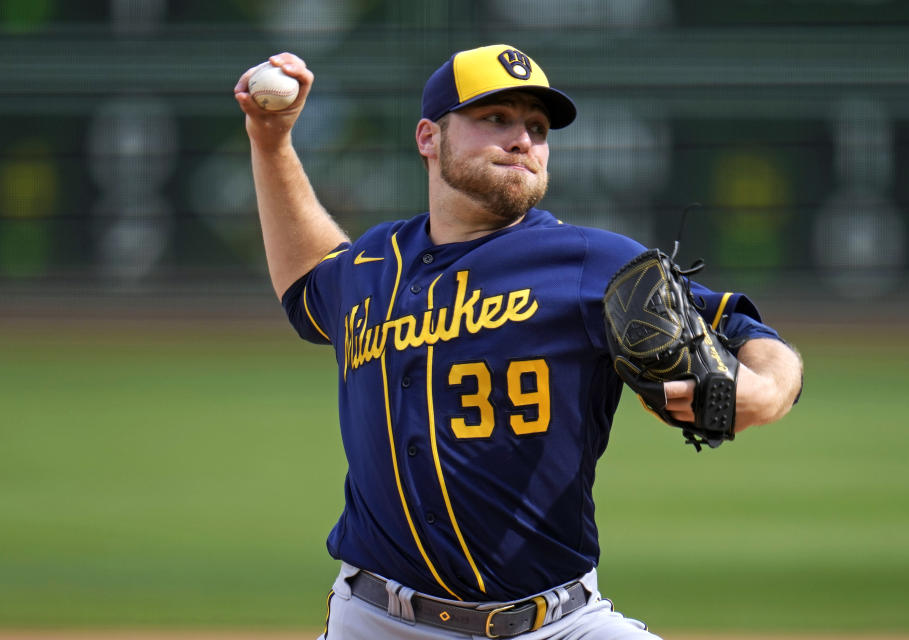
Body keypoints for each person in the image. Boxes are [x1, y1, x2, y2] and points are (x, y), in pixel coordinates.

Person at [234, 44, 803, 639]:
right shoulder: (375, 263)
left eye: (537, 127)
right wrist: (270, 141)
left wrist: (765, 390)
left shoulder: (593, 261)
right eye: (496, 120)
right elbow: (308, 281)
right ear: (429, 138)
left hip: (556, 624)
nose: (523, 140)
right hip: (377, 622)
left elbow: (745, 330)